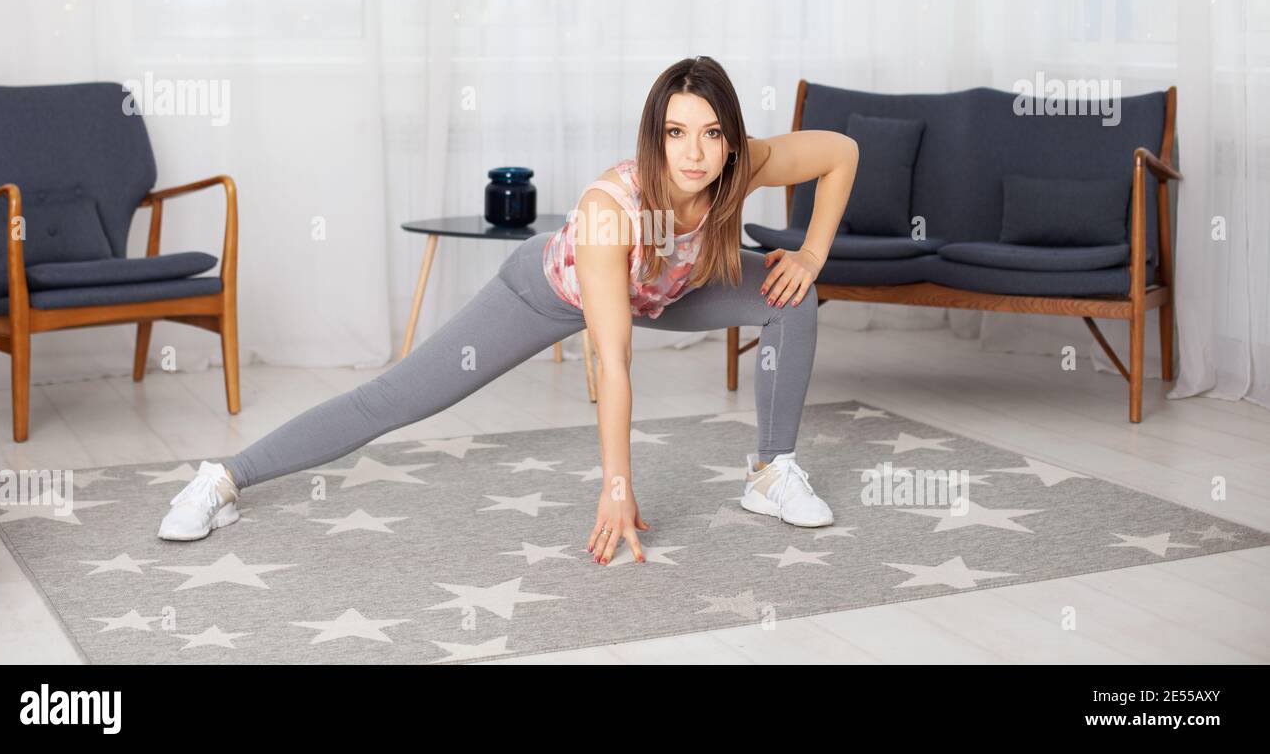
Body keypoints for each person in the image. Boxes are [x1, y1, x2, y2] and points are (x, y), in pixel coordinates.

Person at [158, 55, 859, 567]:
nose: (695, 151)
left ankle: (771, 472)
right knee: (394, 399)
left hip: (670, 288)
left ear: (731, 137)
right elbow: (612, 365)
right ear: (656, 136)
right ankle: (222, 478)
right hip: (552, 292)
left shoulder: (741, 162)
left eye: (710, 133)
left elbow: (841, 153)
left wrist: (812, 256)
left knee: (789, 295)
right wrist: (618, 485)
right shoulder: (609, 212)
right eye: (677, 132)